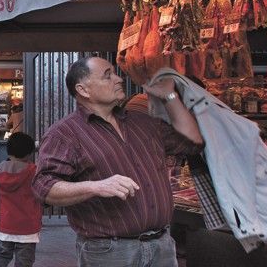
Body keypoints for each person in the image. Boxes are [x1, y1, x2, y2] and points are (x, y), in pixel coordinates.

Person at [33, 56, 202, 267]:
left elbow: (193, 141)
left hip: (162, 246)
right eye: (107, 76)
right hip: (110, 252)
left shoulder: (143, 122)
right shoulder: (65, 134)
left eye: (115, 72)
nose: (118, 79)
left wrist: (169, 95)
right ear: (83, 90)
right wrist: (96, 187)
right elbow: (44, 188)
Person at [0, 132, 42, 267]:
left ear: (8, 150)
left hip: (6, 225)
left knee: (1, 256)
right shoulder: (33, 171)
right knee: (24, 261)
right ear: (30, 152)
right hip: (27, 226)